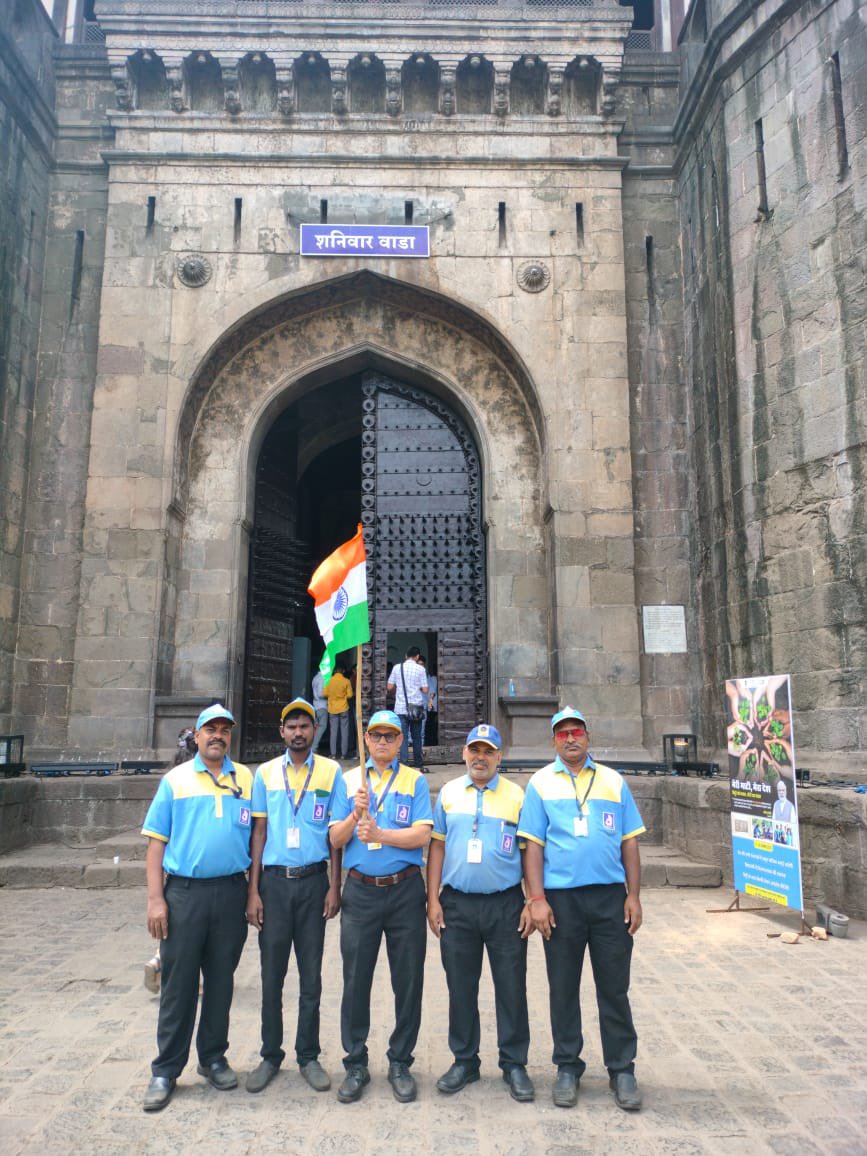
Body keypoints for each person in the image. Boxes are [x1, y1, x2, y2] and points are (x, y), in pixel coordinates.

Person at [518, 707, 645, 1112]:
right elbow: (533, 846)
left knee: (614, 987)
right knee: (563, 987)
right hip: (561, 902)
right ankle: (568, 1067)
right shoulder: (539, 784)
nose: (570, 739)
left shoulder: (613, 781)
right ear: (553, 741)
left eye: (576, 732)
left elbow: (629, 842)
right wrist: (536, 899)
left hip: (610, 898)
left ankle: (622, 1068)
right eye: (561, 734)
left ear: (587, 736)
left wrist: (634, 895)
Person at [141, 704, 252, 1112]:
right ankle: (165, 1069)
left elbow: (255, 839)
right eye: (211, 729)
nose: (218, 736)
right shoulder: (175, 781)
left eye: (225, 729)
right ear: (197, 735)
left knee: (221, 982)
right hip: (184, 894)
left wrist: (252, 893)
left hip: (230, 893)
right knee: (178, 985)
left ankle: (213, 1057)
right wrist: (156, 901)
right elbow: (156, 846)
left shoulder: (246, 779)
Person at [329, 710, 433, 1104]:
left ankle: (400, 1060)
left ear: (401, 740)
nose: (384, 742)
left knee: (408, 980)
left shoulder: (414, 781)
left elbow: (422, 834)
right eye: (377, 735)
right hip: (361, 893)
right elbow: (336, 840)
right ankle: (355, 1061)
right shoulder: (349, 780)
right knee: (356, 979)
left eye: (391, 735)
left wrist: (381, 834)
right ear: (367, 740)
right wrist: (355, 814)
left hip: (405, 892)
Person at [427, 724, 535, 1102]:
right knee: (461, 986)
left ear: (499, 757)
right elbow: (436, 848)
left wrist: (531, 900)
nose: (480, 757)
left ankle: (514, 1062)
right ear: (464, 754)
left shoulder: (517, 796)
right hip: (457, 903)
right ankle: (464, 1060)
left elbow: (529, 852)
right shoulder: (449, 794)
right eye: (475, 750)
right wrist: (433, 899)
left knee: (510, 985)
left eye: (488, 751)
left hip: (506, 904)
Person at [245, 698, 343, 1095]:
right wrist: (252, 890)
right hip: (274, 884)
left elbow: (336, 837)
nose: (298, 732)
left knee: (311, 974)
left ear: (315, 730)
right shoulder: (265, 774)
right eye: (292, 727)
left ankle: (308, 1054)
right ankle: (271, 1053)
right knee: (272, 973)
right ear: (282, 732)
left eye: (305, 725)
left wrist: (336, 886)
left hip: (314, 882)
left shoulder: (332, 772)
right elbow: (259, 834)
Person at [386, 646, 428, 770]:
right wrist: (416, 688)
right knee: (417, 737)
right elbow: (425, 690)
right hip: (416, 708)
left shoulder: (397, 668)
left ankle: (404, 764)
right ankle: (419, 764)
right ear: (417, 657)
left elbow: (389, 687)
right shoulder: (420, 669)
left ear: (405, 656)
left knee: (402, 737)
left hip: (400, 708)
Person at [325, 663, 353, 759]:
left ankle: (333, 754)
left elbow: (324, 693)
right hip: (344, 707)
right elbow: (350, 695)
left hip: (332, 708)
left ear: (334, 671)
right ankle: (343, 754)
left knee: (333, 732)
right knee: (344, 731)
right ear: (343, 671)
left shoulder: (329, 680)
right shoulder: (346, 681)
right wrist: (343, 697)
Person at [311, 669, 328, 753]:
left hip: (316, 705)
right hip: (322, 705)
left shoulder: (315, 677)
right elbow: (321, 694)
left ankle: (312, 747)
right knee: (322, 727)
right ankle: (314, 747)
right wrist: (330, 695)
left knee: (317, 727)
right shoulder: (322, 678)